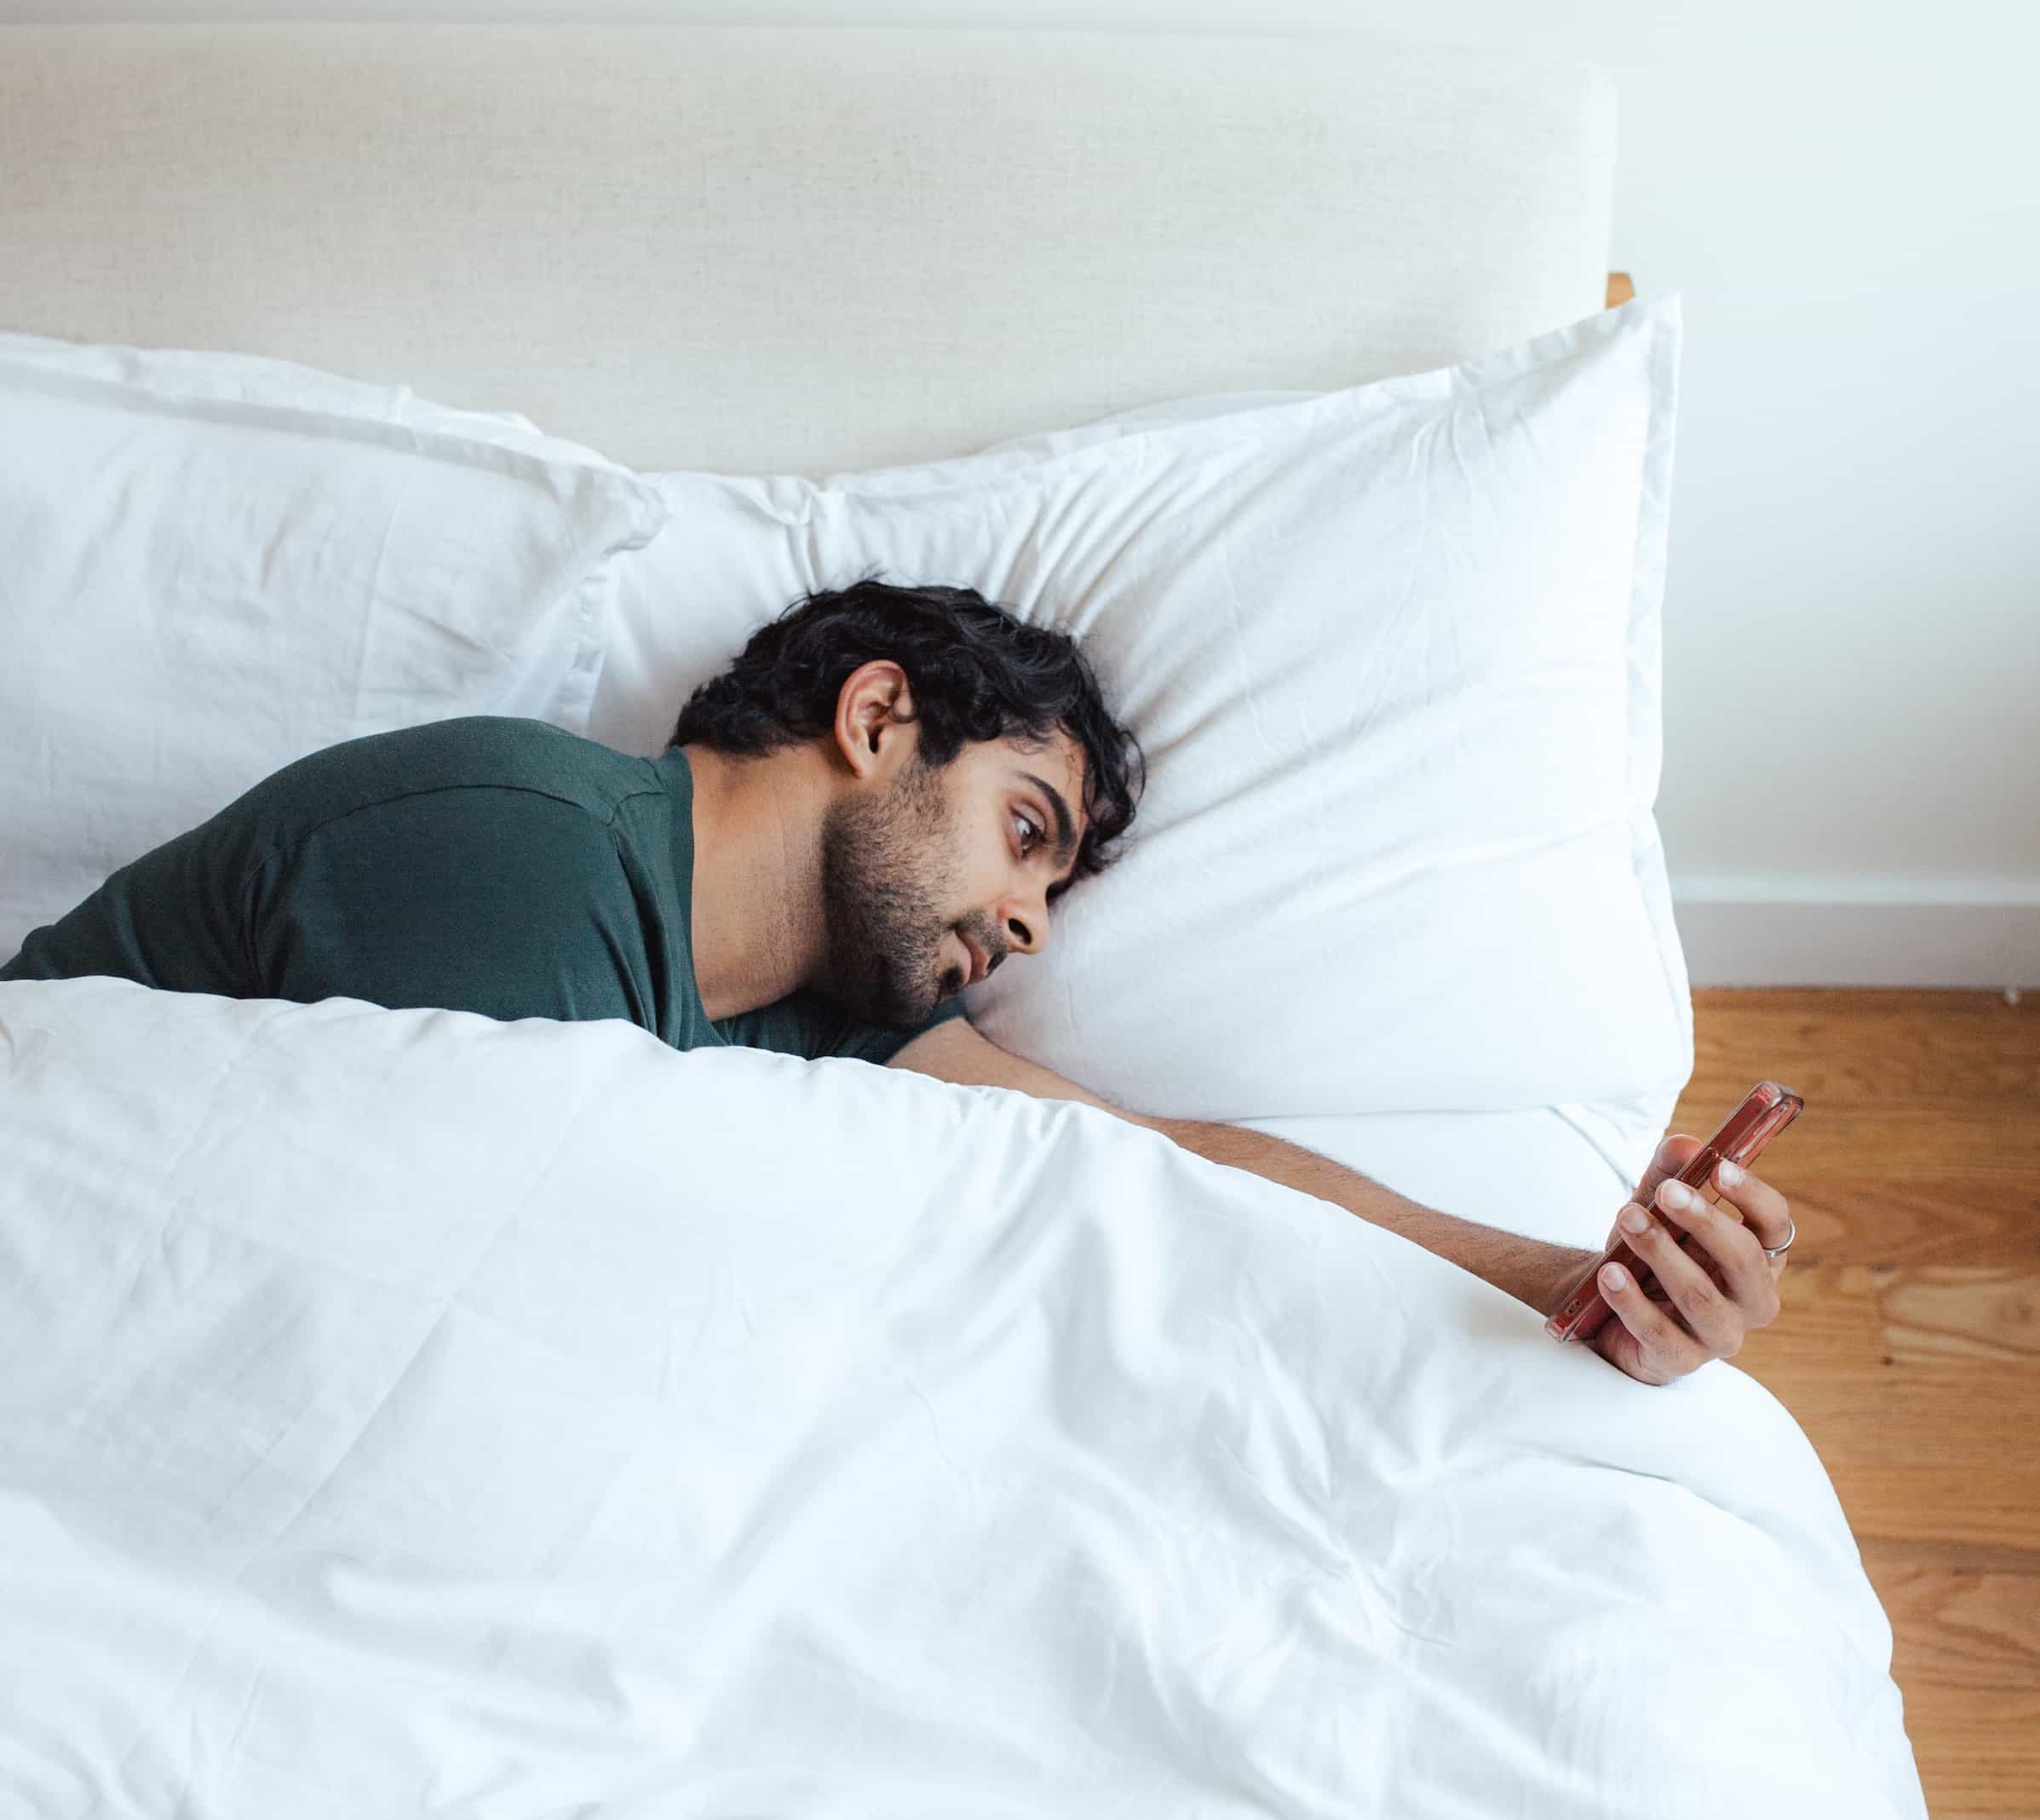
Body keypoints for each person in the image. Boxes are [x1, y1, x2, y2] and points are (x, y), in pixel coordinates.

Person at [2, 578, 1793, 1385]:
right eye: (1025, 829)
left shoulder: (817, 1028)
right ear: (877, 718)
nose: (1027, 924)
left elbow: (1169, 1158)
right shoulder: (528, 837)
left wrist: (1567, 1273)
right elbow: (433, 1300)